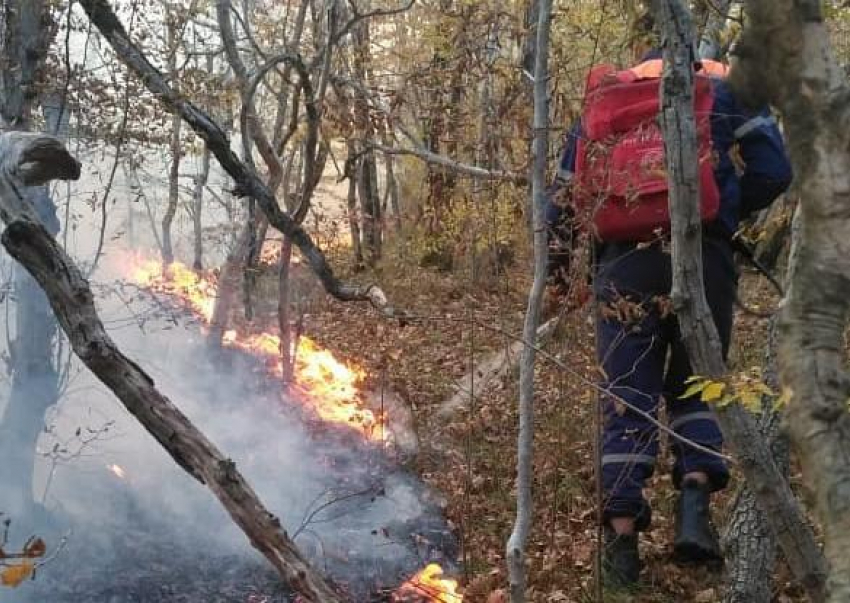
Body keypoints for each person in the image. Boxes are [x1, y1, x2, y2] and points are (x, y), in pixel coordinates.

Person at [545, 12, 792, 588]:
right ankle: (694, 515)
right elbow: (775, 170)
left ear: (642, 52)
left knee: (627, 395)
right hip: (704, 256)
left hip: (622, 264)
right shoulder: (726, 87)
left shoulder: (606, 102)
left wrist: (560, 277)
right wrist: (725, 214)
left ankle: (622, 547)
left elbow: (561, 200)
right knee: (696, 381)